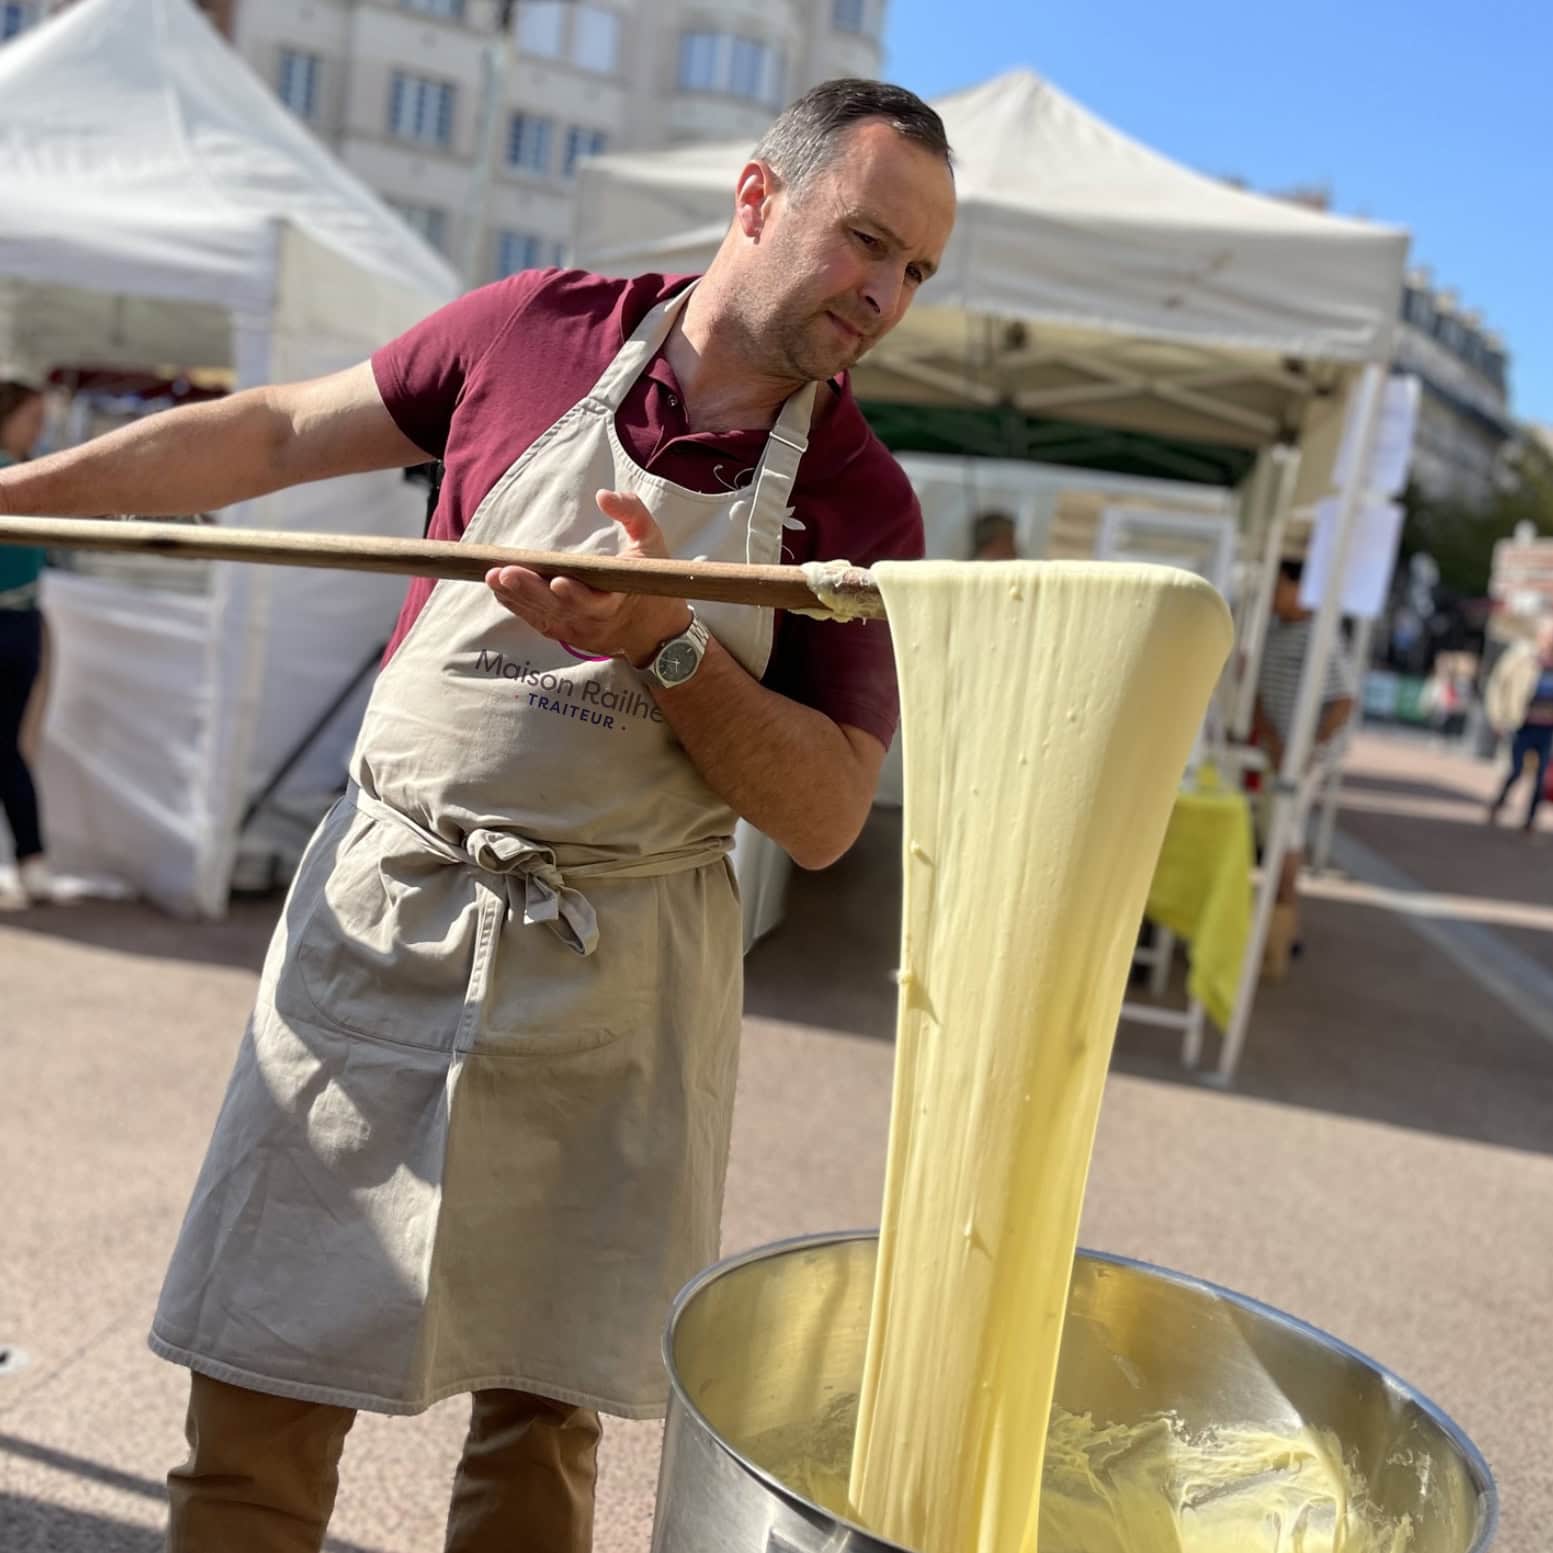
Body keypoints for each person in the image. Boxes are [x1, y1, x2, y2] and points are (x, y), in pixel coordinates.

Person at [0, 79, 957, 1551]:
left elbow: (827, 814)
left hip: (618, 981)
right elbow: (264, 435)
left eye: (916, 271)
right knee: (260, 1384)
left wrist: (670, 645)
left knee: (540, 1431)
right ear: (758, 201)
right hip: (388, 914)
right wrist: (16, 496)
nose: (884, 294)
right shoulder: (530, 330)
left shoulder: (860, 501)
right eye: (866, 241)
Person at [1251, 557, 1356, 956]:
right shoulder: (1277, 632)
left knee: (1285, 833)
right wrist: (1273, 741)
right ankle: (1280, 921)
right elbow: (1260, 694)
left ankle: (1284, 923)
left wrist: (1308, 750)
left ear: (1299, 589)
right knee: (1278, 831)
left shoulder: (1319, 635)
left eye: (1279, 587)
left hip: (1299, 760)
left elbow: (1343, 699)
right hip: (1277, 751)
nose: (1273, 595)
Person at [0, 378, 58, 911]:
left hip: (19, 626)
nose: (40, 426)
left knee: (8, 750)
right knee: (8, 751)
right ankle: (31, 862)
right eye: (32, 415)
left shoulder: (34, 472)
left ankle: (32, 861)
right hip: (16, 625)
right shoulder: (20, 475)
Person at [1483, 618, 1553, 832]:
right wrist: (1497, 716)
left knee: (1542, 775)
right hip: (1522, 724)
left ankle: (1530, 820)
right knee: (1517, 769)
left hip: (1548, 728)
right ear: (1541, 635)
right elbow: (1497, 685)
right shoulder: (1521, 656)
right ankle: (1499, 802)